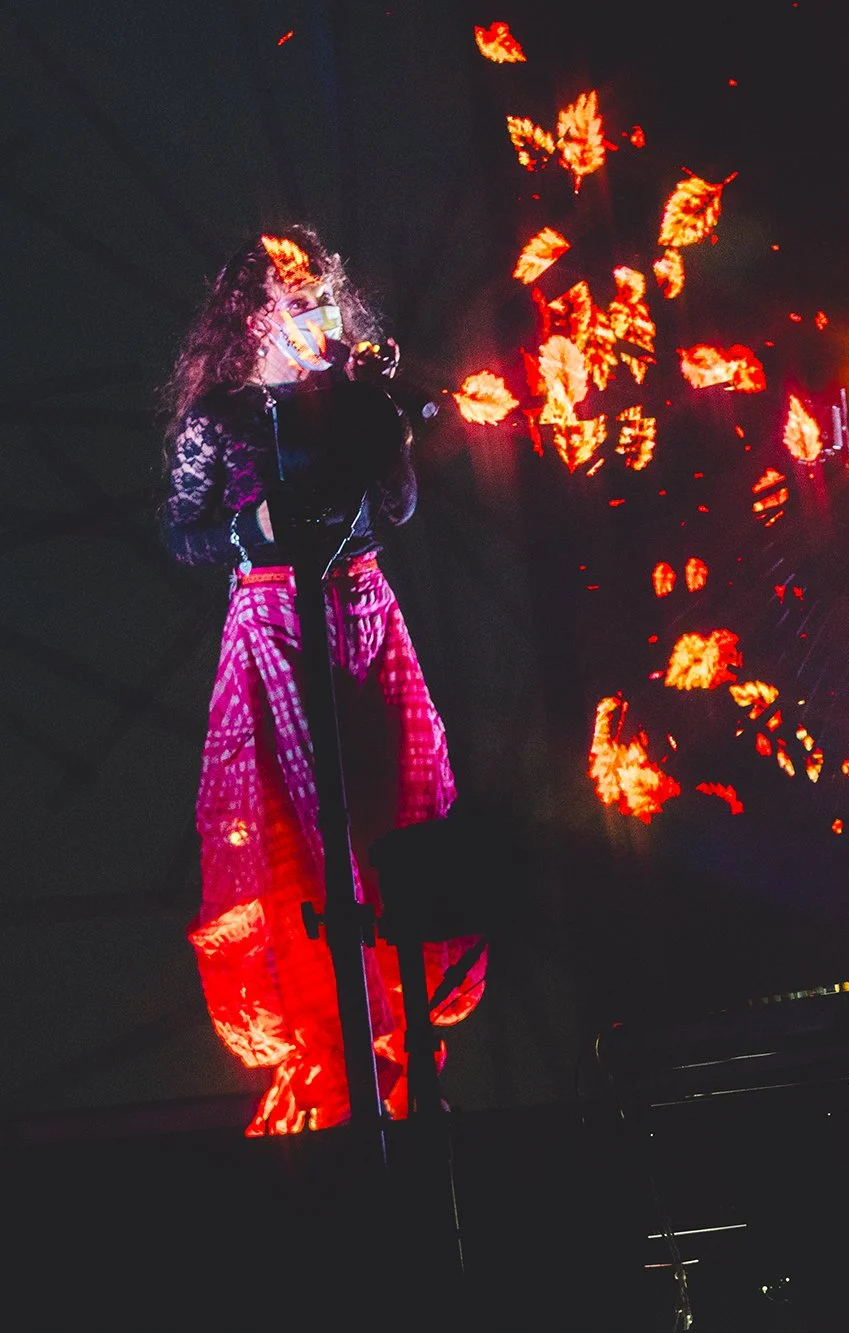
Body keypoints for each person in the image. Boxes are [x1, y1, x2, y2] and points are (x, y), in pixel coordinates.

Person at [160, 226, 483, 1135]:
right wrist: (250, 529)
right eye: (294, 303)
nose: (315, 317)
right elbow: (182, 532)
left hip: (363, 607)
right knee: (309, 837)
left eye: (322, 299)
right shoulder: (221, 417)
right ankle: (341, 1069)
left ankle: (407, 1053)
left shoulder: (350, 400)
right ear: (254, 318)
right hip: (274, 618)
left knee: (397, 810)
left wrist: (386, 434)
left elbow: (398, 508)